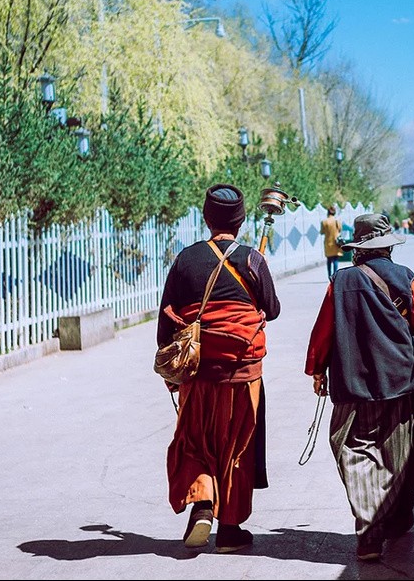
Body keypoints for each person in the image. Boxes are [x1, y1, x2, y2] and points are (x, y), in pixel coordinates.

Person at [305, 213, 414, 563]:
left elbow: (323, 332)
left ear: (358, 249)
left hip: (355, 383)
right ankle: (398, 519)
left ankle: (369, 533)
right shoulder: (405, 276)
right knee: (401, 452)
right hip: (402, 379)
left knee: (354, 451)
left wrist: (317, 371)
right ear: (388, 247)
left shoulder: (341, 280)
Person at [157, 184, 281, 552]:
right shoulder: (252, 259)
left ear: (206, 218)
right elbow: (272, 309)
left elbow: (167, 319)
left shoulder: (186, 260)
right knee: (238, 447)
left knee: (196, 440)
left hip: (198, 371)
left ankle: (202, 503)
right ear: (240, 222)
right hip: (243, 373)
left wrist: (172, 374)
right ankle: (229, 531)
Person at [320, 205, 344, 280]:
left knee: (329, 260)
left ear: (328, 213)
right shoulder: (337, 221)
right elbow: (340, 229)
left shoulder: (324, 222)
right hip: (336, 243)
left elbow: (322, 232)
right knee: (335, 260)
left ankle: (329, 276)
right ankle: (335, 276)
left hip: (328, 243)